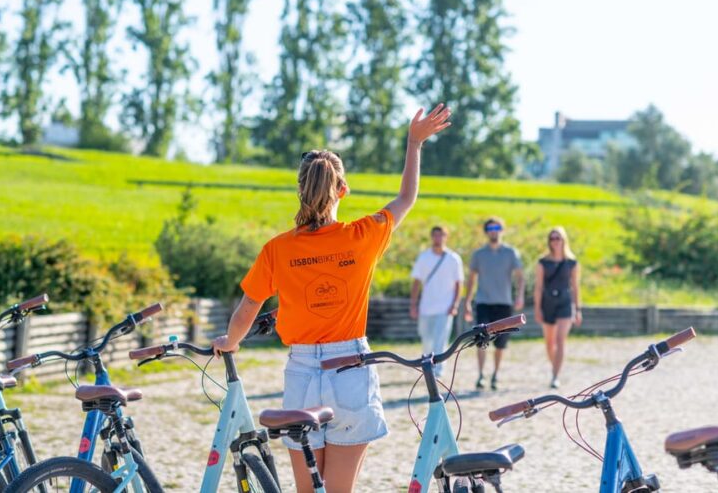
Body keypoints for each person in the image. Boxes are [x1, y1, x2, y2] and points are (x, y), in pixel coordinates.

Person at [212, 104, 451, 493]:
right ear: (343, 190)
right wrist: (414, 142)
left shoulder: (278, 249)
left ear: (300, 191)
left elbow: (247, 309)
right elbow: (406, 197)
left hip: (302, 372)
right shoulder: (362, 236)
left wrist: (230, 342)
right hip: (351, 370)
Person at [464, 217, 524, 390]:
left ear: (502, 230)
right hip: (483, 302)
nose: (493, 230)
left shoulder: (511, 253)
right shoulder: (478, 254)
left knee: (501, 343)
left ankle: (495, 374)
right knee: (481, 339)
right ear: (486, 231)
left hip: (504, 303)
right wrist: (467, 301)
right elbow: (471, 279)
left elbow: (520, 276)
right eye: (490, 228)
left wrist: (519, 295)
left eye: (497, 227)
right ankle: (481, 374)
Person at [410, 226, 464, 378]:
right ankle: (428, 366)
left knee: (441, 340)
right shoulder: (424, 257)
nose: (438, 238)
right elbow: (416, 282)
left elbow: (459, 283)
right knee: (426, 339)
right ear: (432, 237)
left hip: (445, 307)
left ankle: (438, 371)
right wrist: (413, 304)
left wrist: (455, 304)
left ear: (446, 237)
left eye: (441, 236)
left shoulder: (453, 258)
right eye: (435, 235)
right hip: (426, 307)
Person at [534, 226, 582, 389]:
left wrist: (577, 309)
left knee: (560, 340)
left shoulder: (571, 262)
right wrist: (537, 308)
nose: (555, 241)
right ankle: (554, 366)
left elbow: (575, 286)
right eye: (552, 238)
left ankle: (555, 375)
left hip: (565, 303)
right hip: (547, 302)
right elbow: (539, 287)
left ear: (564, 240)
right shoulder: (543, 262)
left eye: (558, 238)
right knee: (549, 342)